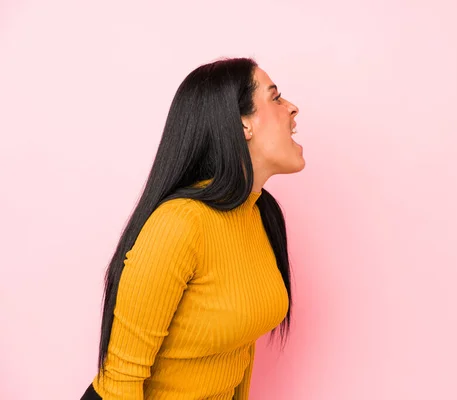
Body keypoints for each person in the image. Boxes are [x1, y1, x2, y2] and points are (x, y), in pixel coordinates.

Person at [80, 57, 304, 399]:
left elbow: (239, 350)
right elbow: (120, 380)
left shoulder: (262, 213)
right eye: (275, 98)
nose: (292, 108)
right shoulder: (180, 224)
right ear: (243, 124)